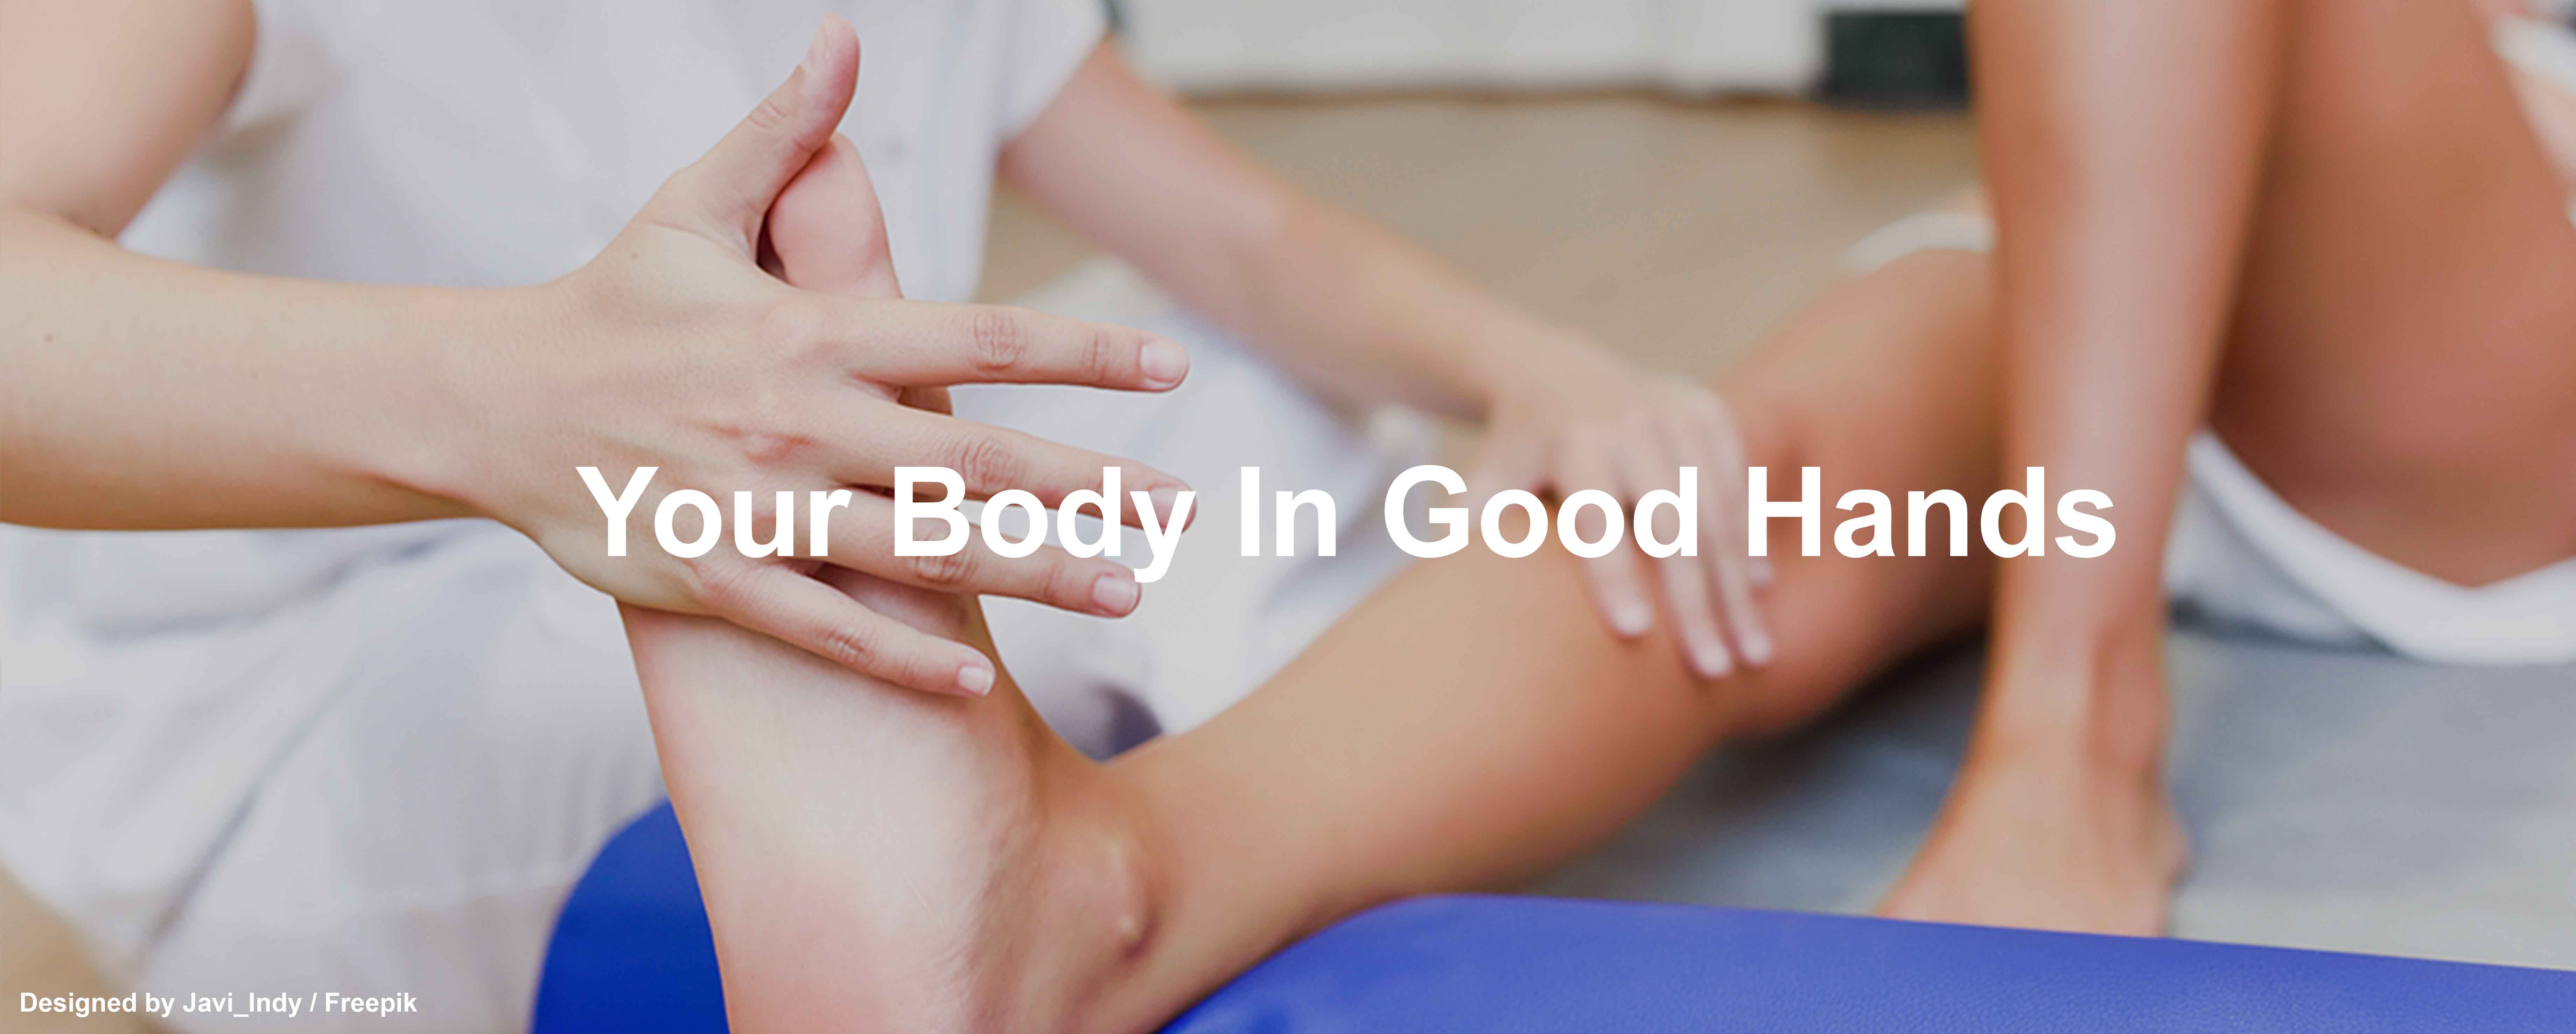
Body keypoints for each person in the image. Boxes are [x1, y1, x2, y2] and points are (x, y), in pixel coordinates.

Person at [634, 0, 2576, 1028]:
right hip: (2103, 223)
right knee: (1742, 481)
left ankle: (2076, 734)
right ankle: (1095, 902)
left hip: (2460, 289)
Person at [0, 1, 1755, 1026]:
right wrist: (518, 405)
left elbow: (1243, 240)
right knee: (907, 620)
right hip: (317, 710)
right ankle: (1074, 902)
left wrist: (1538, 369)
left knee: (1245, 402)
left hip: (737, 492)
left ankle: (1173, 851)